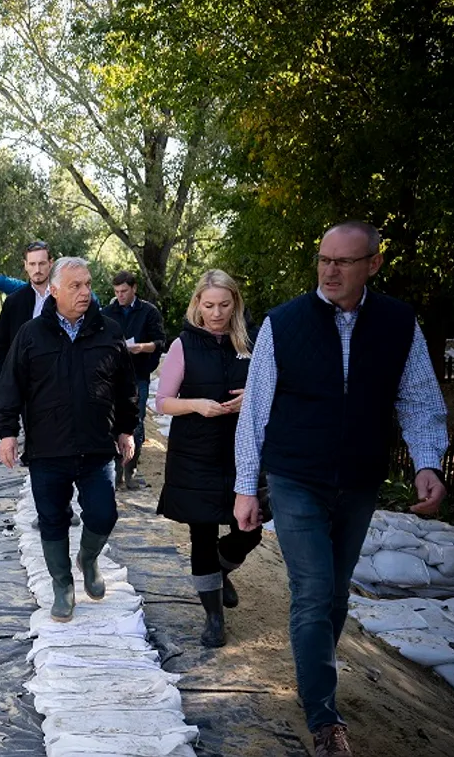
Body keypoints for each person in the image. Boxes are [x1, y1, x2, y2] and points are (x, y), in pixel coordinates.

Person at [233, 221, 449, 757]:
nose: (330, 270)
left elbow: (419, 398)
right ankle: (324, 719)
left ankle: (313, 671)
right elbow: (254, 413)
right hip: (296, 477)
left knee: (334, 594)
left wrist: (428, 463)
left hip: (359, 479)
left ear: (373, 264)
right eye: (324, 259)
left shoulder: (399, 323)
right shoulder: (283, 323)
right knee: (311, 592)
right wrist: (245, 487)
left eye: (344, 262)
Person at [0, 257, 139, 623]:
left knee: (104, 514)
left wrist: (126, 430)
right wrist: (7, 433)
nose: (85, 292)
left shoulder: (108, 332)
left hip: (96, 447)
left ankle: (87, 559)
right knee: (53, 519)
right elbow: (10, 388)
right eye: (75, 286)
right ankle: (63, 585)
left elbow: (126, 389)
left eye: (88, 284)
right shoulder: (30, 335)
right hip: (47, 449)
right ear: (54, 291)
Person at [154, 270, 262, 648]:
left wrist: (252, 397)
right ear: (197, 304)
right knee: (201, 533)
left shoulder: (253, 342)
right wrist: (197, 405)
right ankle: (214, 618)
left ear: (236, 304)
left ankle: (222, 565)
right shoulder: (184, 344)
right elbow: (162, 401)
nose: (216, 313)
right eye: (209, 305)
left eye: (224, 305)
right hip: (195, 452)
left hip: (241, 452)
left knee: (249, 530)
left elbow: (276, 389)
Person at [100, 271, 166, 489]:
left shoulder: (148, 312)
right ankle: (116, 470)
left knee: (135, 423)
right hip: (111, 375)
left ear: (134, 289)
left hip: (138, 375)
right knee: (111, 422)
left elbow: (160, 342)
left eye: (124, 291)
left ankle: (130, 470)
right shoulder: (107, 313)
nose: (120, 295)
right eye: (116, 292)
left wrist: (142, 348)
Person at [0, 240, 53, 392]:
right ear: (25, 265)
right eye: (32, 264)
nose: (37, 269)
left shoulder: (64, 296)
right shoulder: (14, 302)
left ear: (51, 263)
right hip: (24, 380)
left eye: (42, 263)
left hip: (58, 378)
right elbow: (0, 344)